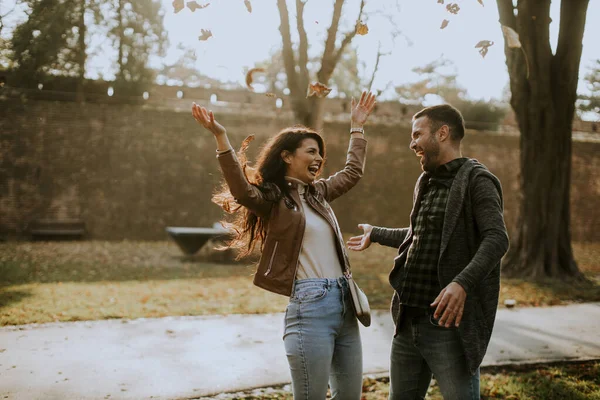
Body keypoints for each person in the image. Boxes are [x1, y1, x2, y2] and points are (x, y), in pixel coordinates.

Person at [192, 91, 376, 399]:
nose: (319, 158)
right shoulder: (273, 200)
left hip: (346, 304)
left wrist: (357, 128)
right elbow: (241, 191)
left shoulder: (318, 194)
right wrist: (221, 138)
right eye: (311, 151)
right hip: (310, 305)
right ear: (287, 156)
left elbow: (353, 172)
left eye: (320, 153)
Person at [347, 104, 509, 400]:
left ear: (443, 133)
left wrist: (462, 283)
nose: (412, 144)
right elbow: (418, 236)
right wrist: (377, 233)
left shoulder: (478, 180)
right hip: (408, 322)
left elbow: (497, 238)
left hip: (448, 327)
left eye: (417, 135)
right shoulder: (426, 181)